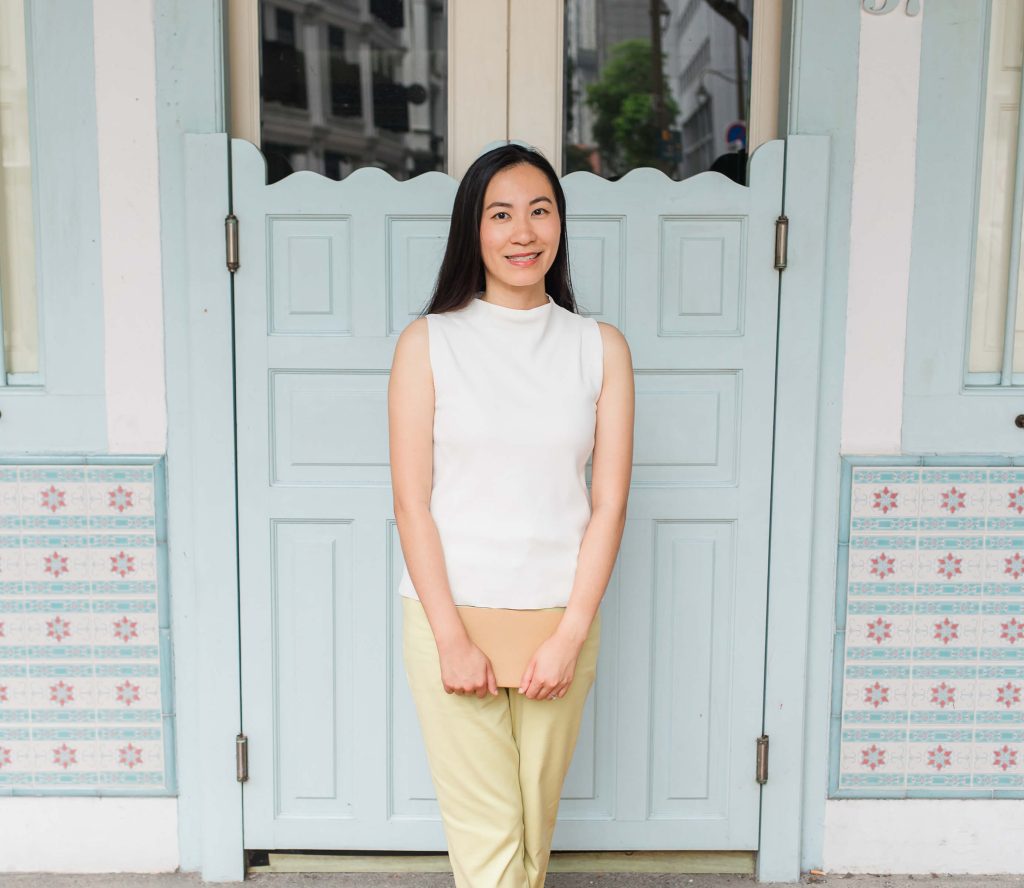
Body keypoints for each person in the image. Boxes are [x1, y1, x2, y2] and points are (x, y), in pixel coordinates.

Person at [387, 141, 634, 888]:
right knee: (490, 844)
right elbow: (412, 504)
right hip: (450, 616)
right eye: (500, 214)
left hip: (558, 620)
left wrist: (569, 637)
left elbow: (609, 504)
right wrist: (451, 639)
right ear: (473, 228)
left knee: (531, 832)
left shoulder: (600, 348)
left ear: (560, 224)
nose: (523, 232)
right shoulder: (429, 342)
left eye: (539, 211)